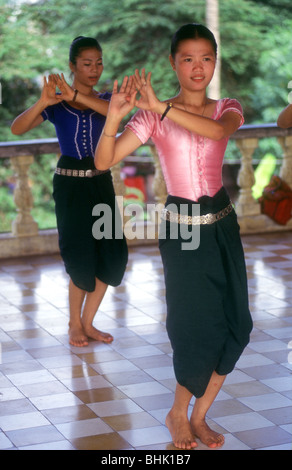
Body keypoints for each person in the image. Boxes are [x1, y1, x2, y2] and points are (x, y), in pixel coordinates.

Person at [94, 23, 253, 450]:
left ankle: (200, 416)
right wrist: (113, 117)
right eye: (188, 58)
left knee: (239, 324)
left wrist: (162, 107)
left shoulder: (227, 108)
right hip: (182, 229)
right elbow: (104, 159)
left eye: (206, 58)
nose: (198, 67)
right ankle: (178, 416)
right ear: (173, 62)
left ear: (215, 62)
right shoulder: (150, 117)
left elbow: (219, 134)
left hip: (222, 223)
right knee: (194, 326)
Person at [11, 36, 128, 348]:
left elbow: (116, 112)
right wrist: (44, 101)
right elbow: (17, 128)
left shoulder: (107, 99)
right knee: (80, 254)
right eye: (87, 63)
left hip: (100, 183)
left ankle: (89, 322)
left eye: (98, 62)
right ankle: (75, 323)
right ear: (72, 66)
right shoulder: (57, 106)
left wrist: (76, 94)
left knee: (113, 253)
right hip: (70, 186)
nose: (94, 68)